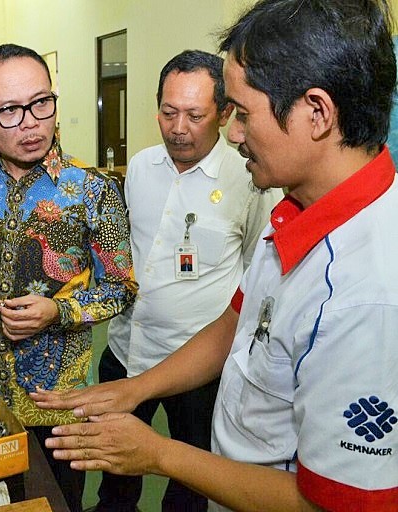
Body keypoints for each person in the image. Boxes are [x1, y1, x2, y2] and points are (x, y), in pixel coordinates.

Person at [33, 1, 398, 510]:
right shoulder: (299, 211)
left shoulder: (367, 294)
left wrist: (160, 455)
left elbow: (333, 503)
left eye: (244, 114)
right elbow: (235, 323)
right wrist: (133, 390)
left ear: (316, 113)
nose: (233, 134)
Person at [0, 43, 137, 512]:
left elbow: (121, 288)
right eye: (9, 111)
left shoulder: (93, 190)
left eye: (41, 103)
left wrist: (58, 311)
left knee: (56, 502)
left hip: (58, 402)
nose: (30, 123)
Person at [95, 50, 282, 512]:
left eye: (195, 115)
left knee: (190, 481)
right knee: (113, 472)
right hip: (125, 352)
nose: (179, 128)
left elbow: (259, 271)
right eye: (168, 112)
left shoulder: (250, 178)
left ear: (222, 113)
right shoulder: (138, 168)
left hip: (197, 370)